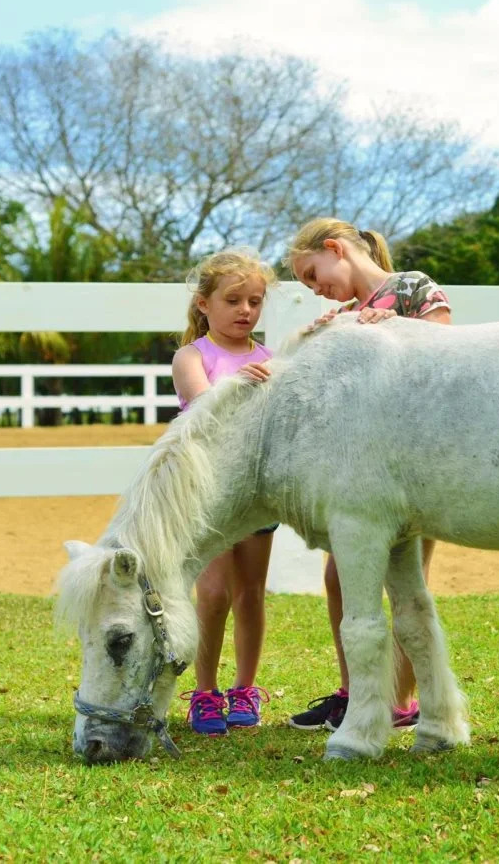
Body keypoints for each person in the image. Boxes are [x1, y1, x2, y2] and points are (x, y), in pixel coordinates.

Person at [282, 217, 451, 732]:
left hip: (410, 466)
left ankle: (400, 699)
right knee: (338, 575)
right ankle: (355, 690)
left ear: (335, 249)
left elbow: (446, 351)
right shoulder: (346, 315)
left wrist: (396, 330)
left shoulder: (412, 288)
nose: (316, 289)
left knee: (407, 582)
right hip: (360, 473)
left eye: (314, 275)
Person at [172, 249, 278, 735]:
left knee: (250, 592)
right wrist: (238, 382)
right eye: (233, 300)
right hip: (211, 492)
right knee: (212, 592)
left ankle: (244, 687)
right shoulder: (192, 356)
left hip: (255, 495)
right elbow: (200, 402)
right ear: (203, 303)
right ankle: (206, 691)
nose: (246, 311)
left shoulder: (270, 360)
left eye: (255, 301)